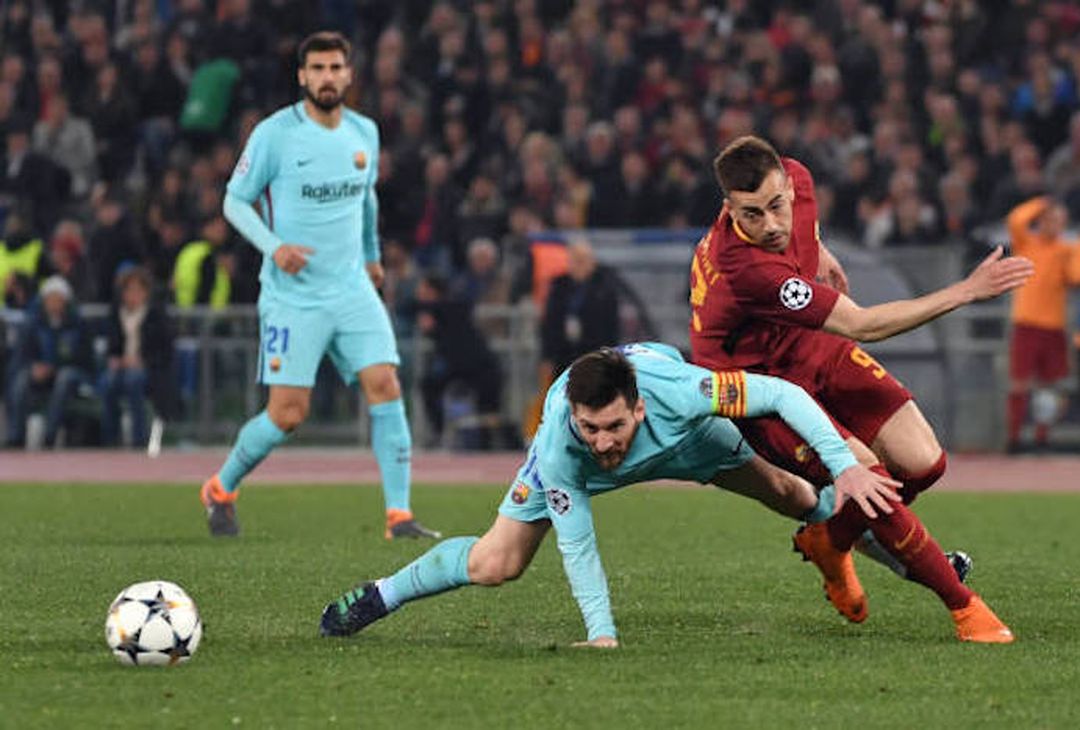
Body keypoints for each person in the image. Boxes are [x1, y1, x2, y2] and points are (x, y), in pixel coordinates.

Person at [319, 343, 936, 645]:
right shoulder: (561, 448)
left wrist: (842, 466)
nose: (603, 441)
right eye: (590, 427)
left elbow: (780, 395)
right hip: (571, 473)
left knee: (793, 493)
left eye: (613, 426)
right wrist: (601, 634)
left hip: (688, 443)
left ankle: (915, 565)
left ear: (638, 408)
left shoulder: (683, 392)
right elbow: (578, 544)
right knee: (496, 563)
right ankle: (380, 595)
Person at [690, 136, 1030, 636]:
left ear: (788, 184)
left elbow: (802, 227)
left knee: (924, 463)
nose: (771, 226)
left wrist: (819, 252)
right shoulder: (747, 269)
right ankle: (965, 609)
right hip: (756, 386)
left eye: (776, 206)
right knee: (868, 475)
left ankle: (831, 540)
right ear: (728, 208)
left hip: (804, 344)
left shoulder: (799, 177)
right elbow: (863, 325)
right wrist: (965, 291)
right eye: (751, 215)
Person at [199, 31, 438, 540]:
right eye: (318, 69)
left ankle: (399, 516)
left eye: (335, 68)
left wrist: (372, 258)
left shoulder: (364, 132)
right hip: (294, 295)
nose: (327, 77)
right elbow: (235, 201)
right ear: (302, 76)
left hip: (352, 288)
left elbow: (366, 200)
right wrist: (274, 247)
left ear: (348, 75)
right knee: (288, 415)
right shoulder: (274, 134)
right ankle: (221, 488)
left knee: (386, 384)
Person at [1004, 196, 1080, 452]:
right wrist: (1041, 202)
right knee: (1019, 384)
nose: (1055, 225)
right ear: (1041, 221)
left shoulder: (1066, 250)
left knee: (1051, 386)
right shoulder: (1026, 243)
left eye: (1060, 221)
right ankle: (1014, 438)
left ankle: (1041, 437)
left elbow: (1076, 277)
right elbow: (1015, 220)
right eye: (1050, 219)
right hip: (1026, 324)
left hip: (1054, 327)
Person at [5, 275, 95, 448]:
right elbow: (22, 355)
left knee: (65, 378)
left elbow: (85, 359)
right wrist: (33, 367)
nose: (53, 304)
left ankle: (49, 436)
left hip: (70, 374)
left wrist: (56, 367)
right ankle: (16, 436)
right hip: (40, 374)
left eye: (58, 299)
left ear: (66, 301)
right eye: (50, 299)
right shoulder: (33, 324)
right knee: (20, 379)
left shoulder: (78, 324)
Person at [99, 266, 175, 447]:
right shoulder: (116, 314)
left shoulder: (156, 316)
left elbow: (165, 351)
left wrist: (143, 362)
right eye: (128, 290)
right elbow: (112, 346)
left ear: (146, 292)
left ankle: (139, 438)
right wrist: (115, 359)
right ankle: (111, 438)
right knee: (108, 383)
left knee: (134, 381)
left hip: (151, 371)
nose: (133, 295)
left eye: (137, 290)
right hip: (122, 367)